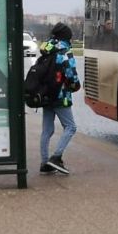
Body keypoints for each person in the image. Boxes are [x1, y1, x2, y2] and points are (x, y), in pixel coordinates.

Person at [40, 22, 81, 175]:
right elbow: (71, 74)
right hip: (60, 95)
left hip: (46, 94)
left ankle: (44, 163)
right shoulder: (65, 51)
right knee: (70, 127)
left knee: (47, 130)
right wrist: (75, 85)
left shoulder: (47, 49)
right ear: (67, 37)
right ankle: (56, 157)